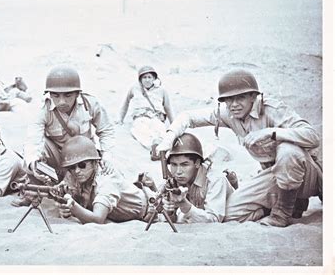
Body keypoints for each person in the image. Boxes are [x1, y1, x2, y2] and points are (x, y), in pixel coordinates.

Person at [157, 69, 322, 227]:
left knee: (288, 151)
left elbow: (312, 136)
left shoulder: (272, 110)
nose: (233, 104)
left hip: (310, 175)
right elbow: (189, 117)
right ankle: (283, 204)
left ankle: (281, 215)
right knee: (231, 214)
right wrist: (169, 137)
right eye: (228, 99)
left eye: (240, 98)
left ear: (253, 97)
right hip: (275, 176)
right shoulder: (230, 114)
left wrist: (271, 133)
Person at [23, 65, 114, 185]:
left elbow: (106, 130)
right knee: (32, 156)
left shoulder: (90, 104)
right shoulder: (42, 109)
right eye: (56, 95)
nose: (62, 101)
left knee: (108, 175)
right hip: (58, 157)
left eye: (68, 95)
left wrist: (107, 155)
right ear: (49, 94)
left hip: (84, 157)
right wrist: (33, 163)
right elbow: (33, 140)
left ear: (77, 94)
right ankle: (35, 189)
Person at [56, 136, 154, 224]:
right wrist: (64, 208)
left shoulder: (106, 180)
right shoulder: (73, 175)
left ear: (95, 162)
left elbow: (98, 219)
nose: (77, 171)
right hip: (114, 214)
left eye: (82, 165)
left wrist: (73, 207)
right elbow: (64, 190)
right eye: (72, 167)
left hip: (149, 211)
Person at [160, 133, 234, 223]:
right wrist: (169, 211)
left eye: (184, 165)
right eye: (174, 165)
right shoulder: (172, 182)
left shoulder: (215, 180)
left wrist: (184, 205)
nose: (178, 171)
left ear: (197, 163)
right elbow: (167, 222)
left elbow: (214, 221)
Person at [117, 65, 174, 161]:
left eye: (149, 77)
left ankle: (162, 150)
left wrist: (174, 124)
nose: (147, 80)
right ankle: (154, 148)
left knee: (161, 131)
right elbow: (125, 103)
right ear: (140, 79)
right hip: (140, 117)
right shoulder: (134, 89)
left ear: (154, 78)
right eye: (144, 77)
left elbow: (168, 108)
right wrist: (120, 119)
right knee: (141, 132)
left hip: (156, 117)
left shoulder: (162, 91)